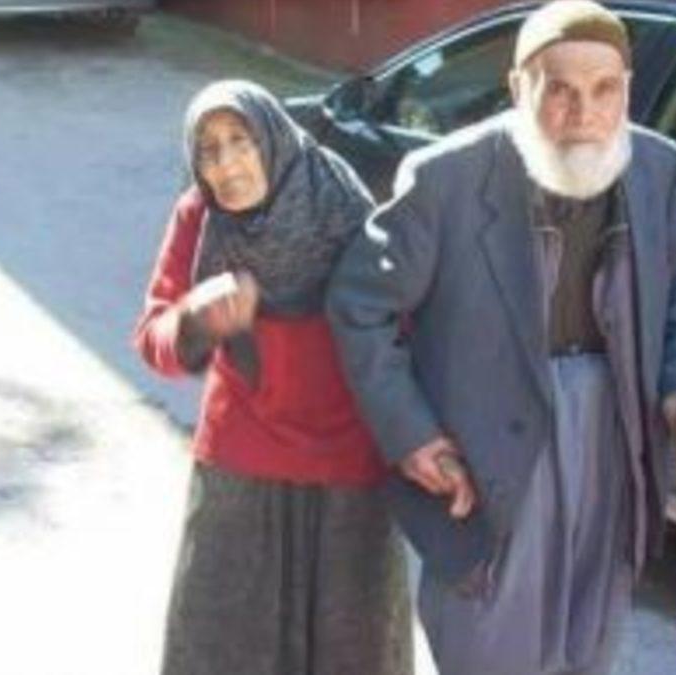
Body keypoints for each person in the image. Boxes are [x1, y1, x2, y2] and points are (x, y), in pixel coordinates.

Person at [325, 2, 676, 673]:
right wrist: (412, 433)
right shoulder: (446, 177)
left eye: (605, 90)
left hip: (616, 428)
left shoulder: (659, 168)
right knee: (490, 632)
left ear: (626, 89)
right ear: (518, 88)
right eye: (559, 89)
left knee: (589, 625)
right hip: (491, 439)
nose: (585, 113)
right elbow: (361, 303)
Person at [133, 80, 411, 675]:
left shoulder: (338, 201)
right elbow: (155, 337)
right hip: (240, 464)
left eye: (241, 140)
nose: (226, 164)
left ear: (273, 137)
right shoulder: (199, 215)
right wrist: (194, 319)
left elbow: (399, 324)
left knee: (352, 652)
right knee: (222, 649)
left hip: (349, 468)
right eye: (208, 150)